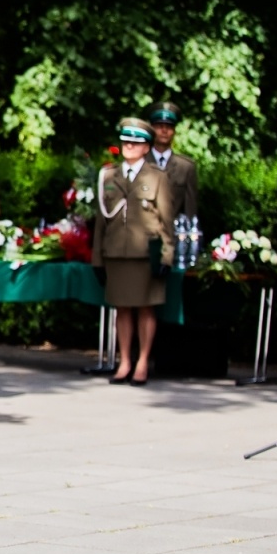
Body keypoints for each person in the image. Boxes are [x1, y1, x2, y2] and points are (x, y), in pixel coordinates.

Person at [92, 117, 176, 386]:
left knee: (146, 309)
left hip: (145, 255)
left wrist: (167, 256)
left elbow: (167, 222)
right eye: (126, 141)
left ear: (146, 147)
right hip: (116, 253)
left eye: (136, 142)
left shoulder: (157, 177)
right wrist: (97, 259)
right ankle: (125, 361)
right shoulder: (108, 176)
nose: (129, 146)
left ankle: (142, 362)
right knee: (122, 309)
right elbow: (101, 223)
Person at [146, 101, 198, 219]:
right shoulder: (140, 162)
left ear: (174, 131)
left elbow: (190, 209)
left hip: (173, 228)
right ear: (152, 129)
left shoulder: (186, 167)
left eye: (169, 126)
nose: (164, 130)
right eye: (159, 126)